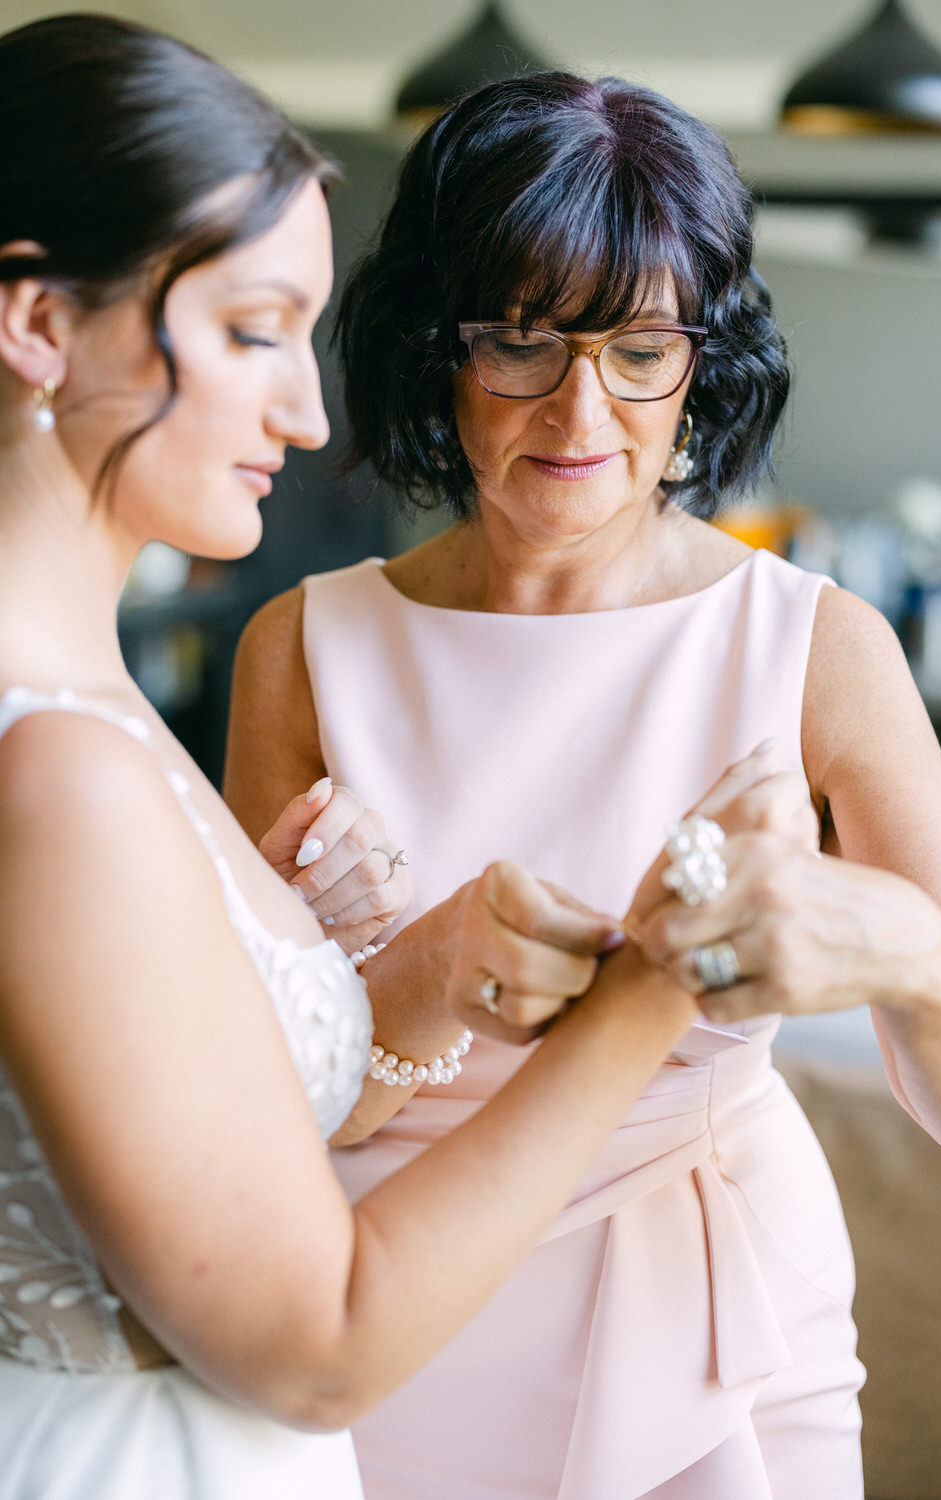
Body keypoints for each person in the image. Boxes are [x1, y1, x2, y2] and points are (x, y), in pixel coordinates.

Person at [226, 71, 941, 1500]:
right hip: (386, 1322)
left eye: (641, 346)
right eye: (523, 341)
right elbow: (230, 1120)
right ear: (430, 351)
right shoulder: (306, 648)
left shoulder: (816, 650)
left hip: (715, 1330)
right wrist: (368, 990)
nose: (584, 409)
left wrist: (893, 941)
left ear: (701, 361)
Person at [0, 24, 748, 1499]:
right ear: (36, 326)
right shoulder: (68, 765)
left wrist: (369, 965)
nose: (310, 412)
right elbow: (316, 1344)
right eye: (250, 329)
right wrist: (654, 990)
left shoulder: (77, 710)